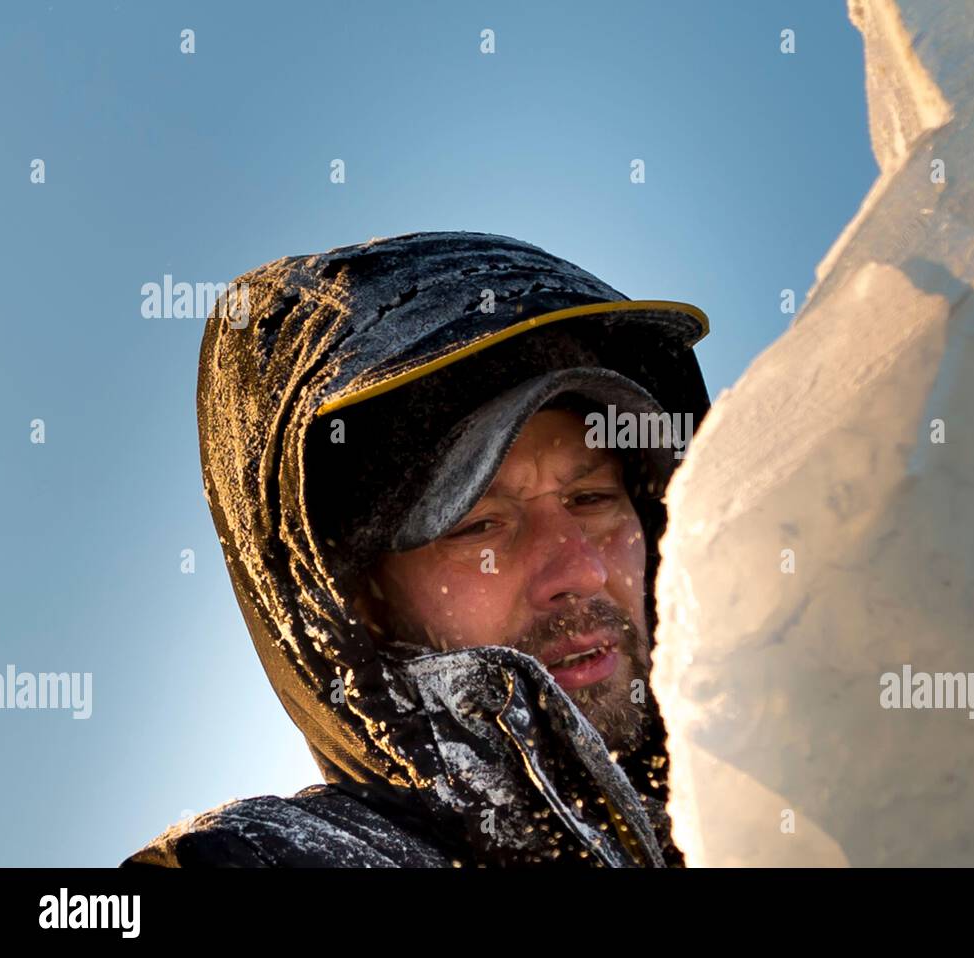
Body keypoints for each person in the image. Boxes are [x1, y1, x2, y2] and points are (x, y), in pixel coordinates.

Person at [120, 230, 710, 867]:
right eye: (478, 524)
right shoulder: (260, 862)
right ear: (359, 598)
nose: (581, 569)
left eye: (591, 499)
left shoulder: (801, 790)